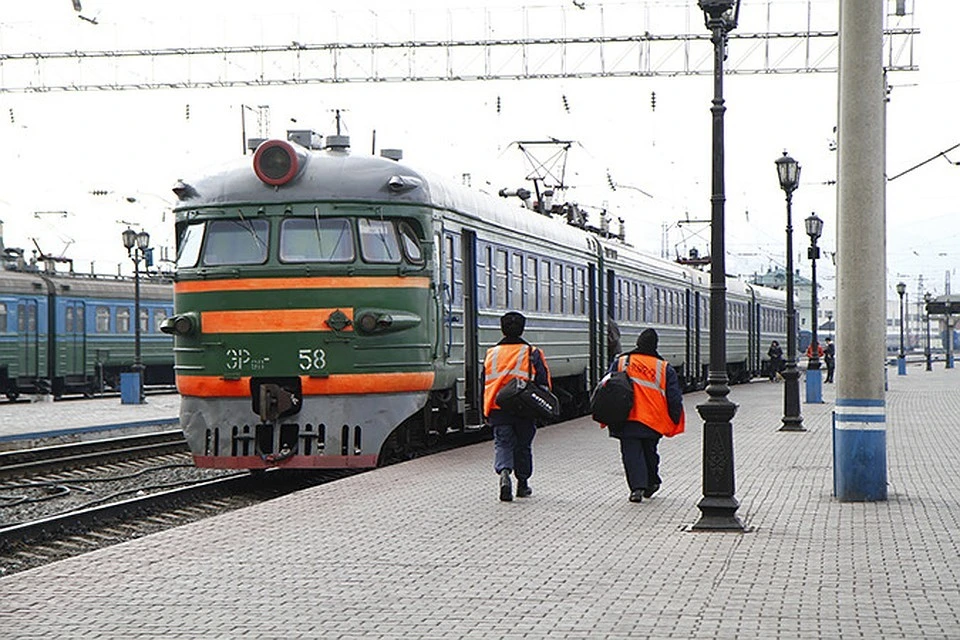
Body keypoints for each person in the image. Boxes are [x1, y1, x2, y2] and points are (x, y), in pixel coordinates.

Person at [606, 328, 685, 503]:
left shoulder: (622, 362)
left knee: (631, 453)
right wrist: (675, 416)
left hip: (626, 417)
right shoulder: (664, 367)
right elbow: (674, 397)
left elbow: (607, 386)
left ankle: (637, 488)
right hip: (653, 419)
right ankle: (652, 482)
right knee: (650, 452)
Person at [483, 311, 552, 502]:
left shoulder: (491, 353)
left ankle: (504, 473)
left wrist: (485, 411)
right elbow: (543, 383)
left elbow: (485, 383)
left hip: (498, 408)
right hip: (525, 409)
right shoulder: (532, 353)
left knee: (503, 444)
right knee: (523, 446)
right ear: (523, 329)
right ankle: (522, 484)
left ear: (502, 329)